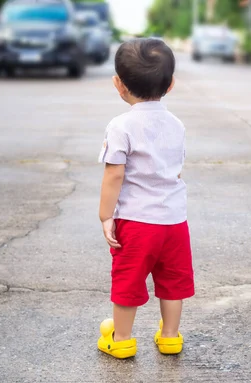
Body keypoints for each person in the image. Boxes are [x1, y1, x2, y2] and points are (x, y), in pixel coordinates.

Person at [96, 38, 194, 359]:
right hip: (174, 222)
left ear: (119, 85)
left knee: (128, 280)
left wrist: (106, 215)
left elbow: (114, 174)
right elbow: (175, 170)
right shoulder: (176, 124)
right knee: (172, 280)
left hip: (137, 223)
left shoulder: (120, 125)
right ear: (171, 85)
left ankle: (121, 339)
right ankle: (169, 336)